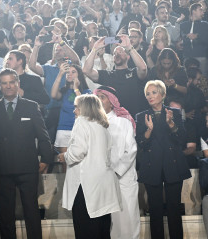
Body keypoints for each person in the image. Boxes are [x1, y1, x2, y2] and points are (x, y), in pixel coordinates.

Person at [0, 68, 52, 239]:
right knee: (5, 214)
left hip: (28, 167)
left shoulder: (31, 106)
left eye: (12, 82)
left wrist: (46, 158)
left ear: (18, 83)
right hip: (2, 168)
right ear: (0, 86)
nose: (8, 86)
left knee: (31, 212)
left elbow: (43, 135)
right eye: (4, 83)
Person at [58, 94, 121, 239]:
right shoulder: (102, 126)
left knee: (85, 229)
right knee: (102, 229)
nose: (74, 111)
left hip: (86, 185)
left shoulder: (82, 122)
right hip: (103, 184)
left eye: (76, 107)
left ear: (84, 108)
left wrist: (64, 156)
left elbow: (78, 152)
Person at [135, 80, 191, 239]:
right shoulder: (141, 116)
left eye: (153, 92)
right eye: (147, 93)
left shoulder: (174, 113)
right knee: (155, 210)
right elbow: (141, 144)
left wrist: (171, 124)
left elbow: (182, 140)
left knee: (174, 209)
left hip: (173, 164)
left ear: (162, 94)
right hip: (152, 166)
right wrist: (149, 130)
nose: (150, 96)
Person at [94, 85, 140, 239]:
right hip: (104, 179)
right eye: (97, 97)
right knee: (112, 222)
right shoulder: (94, 123)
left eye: (102, 97)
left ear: (111, 101)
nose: (99, 100)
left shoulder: (123, 121)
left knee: (128, 218)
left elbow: (131, 150)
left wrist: (116, 170)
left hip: (124, 178)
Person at [83, 34, 147, 117]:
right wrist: (95, 49)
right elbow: (86, 70)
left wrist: (129, 47)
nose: (117, 54)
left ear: (128, 57)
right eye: (114, 53)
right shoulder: (107, 75)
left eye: (120, 52)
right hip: (114, 121)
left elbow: (143, 68)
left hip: (134, 118)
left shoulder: (134, 73)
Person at [51, 63, 91, 170]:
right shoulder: (64, 91)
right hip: (63, 129)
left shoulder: (87, 92)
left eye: (73, 72)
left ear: (80, 75)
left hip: (80, 129)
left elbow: (84, 106)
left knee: (80, 163)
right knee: (66, 163)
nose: (70, 74)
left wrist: (76, 88)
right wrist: (60, 74)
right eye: (68, 72)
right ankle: (67, 186)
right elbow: (53, 95)